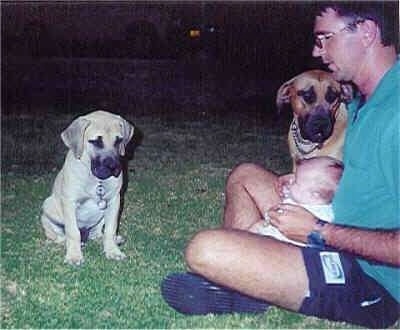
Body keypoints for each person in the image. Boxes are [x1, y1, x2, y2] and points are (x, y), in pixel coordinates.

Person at [161, 2, 400, 328]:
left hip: (373, 279)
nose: (317, 52)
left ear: (367, 32)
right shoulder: (363, 99)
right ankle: (256, 283)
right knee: (245, 176)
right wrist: (308, 184)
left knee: (205, 250)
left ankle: (249, 282)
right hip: (333, 224)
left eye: (325, 38)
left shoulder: (396, 112)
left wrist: (319, 233)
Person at [250, 156, 343, 247]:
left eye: (295, 181)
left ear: (314, 195)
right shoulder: (316, 203)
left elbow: (275, 224)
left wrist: (259, 227)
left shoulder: (303, 216)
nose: (290, 180)